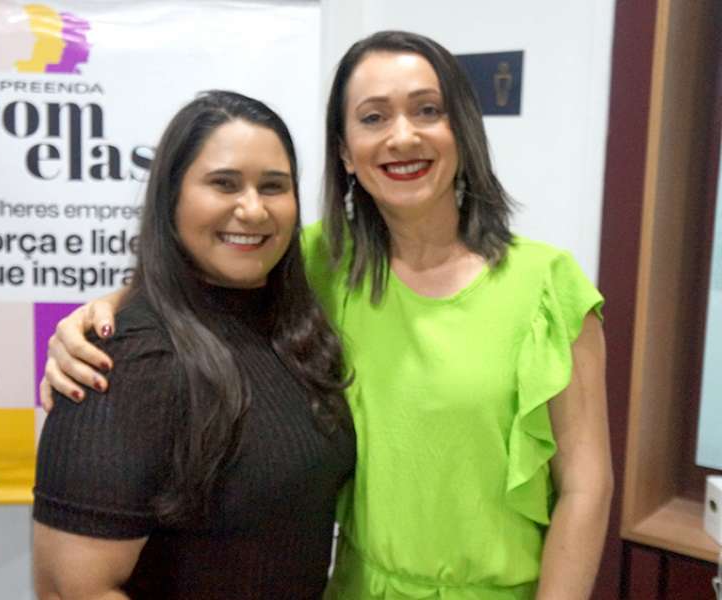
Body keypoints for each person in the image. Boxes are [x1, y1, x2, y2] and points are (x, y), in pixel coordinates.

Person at [42, 31, 613, 600]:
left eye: (427, 110)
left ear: (462, 130)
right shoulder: (319, 263)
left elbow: (586, 489)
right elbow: (201, 274)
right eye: (373, 117)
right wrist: (104, 313)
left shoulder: (544, 286)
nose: (402, 137)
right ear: (344, 151)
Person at [32, 90, 355, 600]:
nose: (253, 209)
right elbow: (72, 589)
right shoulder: (127, 360)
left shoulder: (294, 333)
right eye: (224, 183)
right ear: (171, 198)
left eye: (273, 186)